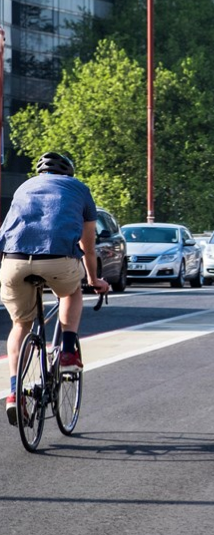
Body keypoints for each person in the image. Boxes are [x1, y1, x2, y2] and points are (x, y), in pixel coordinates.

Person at [0, 152, 109, 426]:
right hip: (58, 260)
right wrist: (95, 280)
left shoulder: (23, 187)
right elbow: (89, 245)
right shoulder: (79, 189)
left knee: (20, 325)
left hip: (13, 260)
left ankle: (14, 393)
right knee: (71, 292)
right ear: (69, 173)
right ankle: (69, 350)